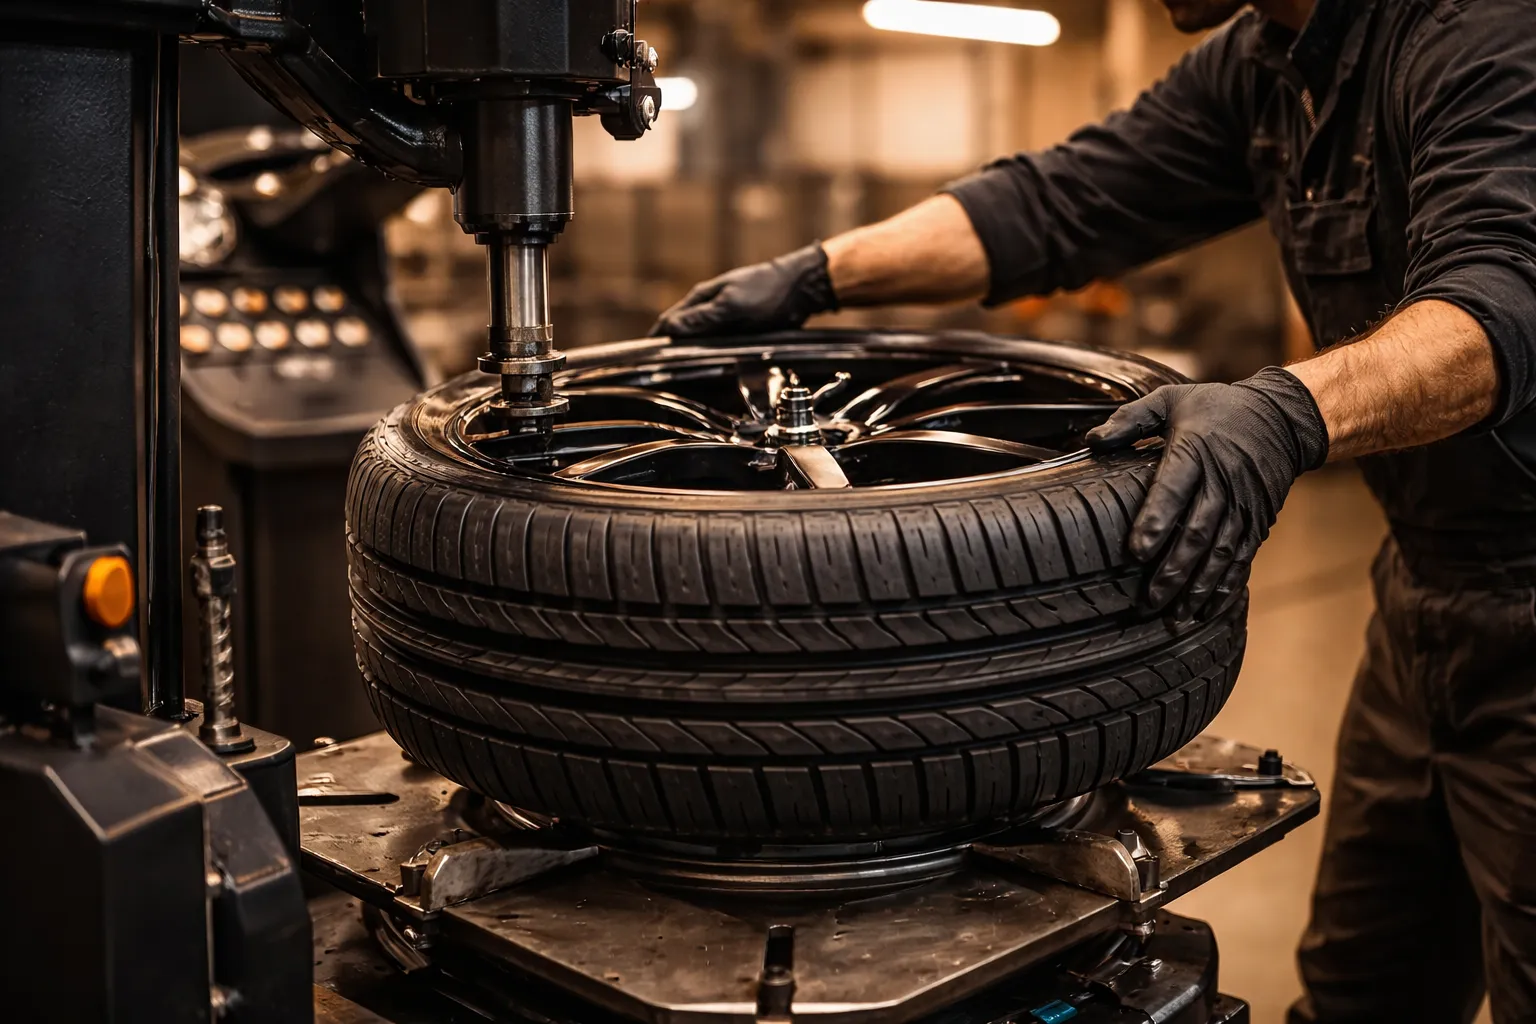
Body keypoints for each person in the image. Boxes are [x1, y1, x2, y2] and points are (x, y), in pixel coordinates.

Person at [651, 0, 1536, 1020]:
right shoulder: (1265, 63)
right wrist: (817, 275)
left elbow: (1503, 302)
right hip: (1426, 590)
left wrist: (1288, 410)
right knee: (1361, 995)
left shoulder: (1483, 30)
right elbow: (1059, 201)